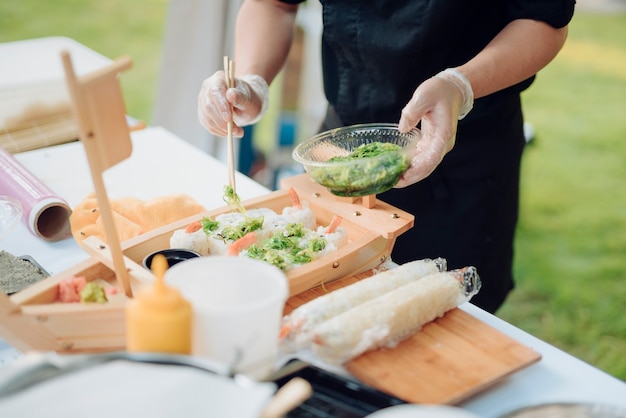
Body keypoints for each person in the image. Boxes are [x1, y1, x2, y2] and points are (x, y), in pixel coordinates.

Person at [197, 0, 576, 313]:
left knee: (444, 318)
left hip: (464, 155)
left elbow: (542, 20)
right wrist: (252, 81)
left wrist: (460, 85)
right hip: (340, 150)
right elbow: (275, 4)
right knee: (321, 300)